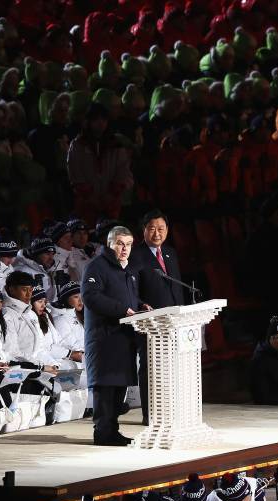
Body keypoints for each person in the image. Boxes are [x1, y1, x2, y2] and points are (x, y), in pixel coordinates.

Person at [82, 225, 149, 446]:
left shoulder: (127, 270)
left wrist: (140, 305)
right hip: (104, 338)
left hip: (123, 337)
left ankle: (112, 430)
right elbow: (91, 297)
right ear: (110, 244)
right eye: (120, 244)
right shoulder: (96, 267)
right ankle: (102, 432)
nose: (124, 249)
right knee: (106, 387)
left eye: (128, 244)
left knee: (118, 386)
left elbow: (129, 299)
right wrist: (123, 310)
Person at [127, 210, 185, 424]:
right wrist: (141, 305)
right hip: (150, 321)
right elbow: (131, 288)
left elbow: (176, 287)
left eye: (161, 228)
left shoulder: (170, 253)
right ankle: (150, 413)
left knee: (171, 366)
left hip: (173, 321)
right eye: (152, 228)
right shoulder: (135, 255)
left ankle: (171, 409)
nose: (157, 233)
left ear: (167, 230)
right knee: (151, 368)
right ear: (143, 231)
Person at [67, 103, 134, 225]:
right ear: (88, 121)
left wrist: (111, 194)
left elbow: (122, 170)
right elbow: (75, 171)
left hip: (111, 203)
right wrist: (89, 196)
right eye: (96, 119)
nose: (100, 123)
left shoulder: (116, 145)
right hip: (86, 203)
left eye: (103, 119)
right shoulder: (78, 145)